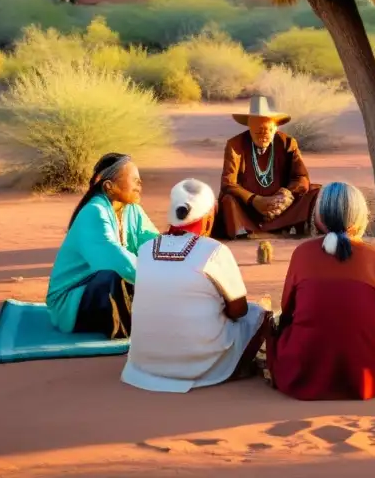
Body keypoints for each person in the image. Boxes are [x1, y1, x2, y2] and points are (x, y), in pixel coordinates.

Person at [122, 179, 270, 393]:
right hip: (199, 367)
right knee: (259, 313)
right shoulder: (214, 250)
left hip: (143, 365)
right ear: (209, 217)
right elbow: (239, 310)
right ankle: (233, 368)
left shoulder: (145, 249)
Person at [266, 182, 375, 400]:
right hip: (364, 372)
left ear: (318, 219)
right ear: (360, 217)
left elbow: (287, 310)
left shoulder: (302, 253)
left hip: (303, 370)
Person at [46, 153, 159, 338]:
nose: (140, 185)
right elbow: (115, 260)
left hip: (103, 288)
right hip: (71, 303)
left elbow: (154, 244)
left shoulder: (133, 210)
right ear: (109, 186)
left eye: (140, 181)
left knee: (134, 280)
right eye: (135, 180)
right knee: (114, 278)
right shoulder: (93, 212)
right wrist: (161, 280)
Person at [213, 95, 321, 239]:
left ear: (276, 128)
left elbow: (301, 177)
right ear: (249, 127)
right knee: (228, 199)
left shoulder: (288, 143)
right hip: (249, 210)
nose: (263, 135)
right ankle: (244, 231)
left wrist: (286, 195)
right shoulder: (235, 145)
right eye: (258, 131)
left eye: (268, 130)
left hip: (281, 208)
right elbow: (228, 183)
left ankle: (292, 227)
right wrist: (255, 200)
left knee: (315, 191)